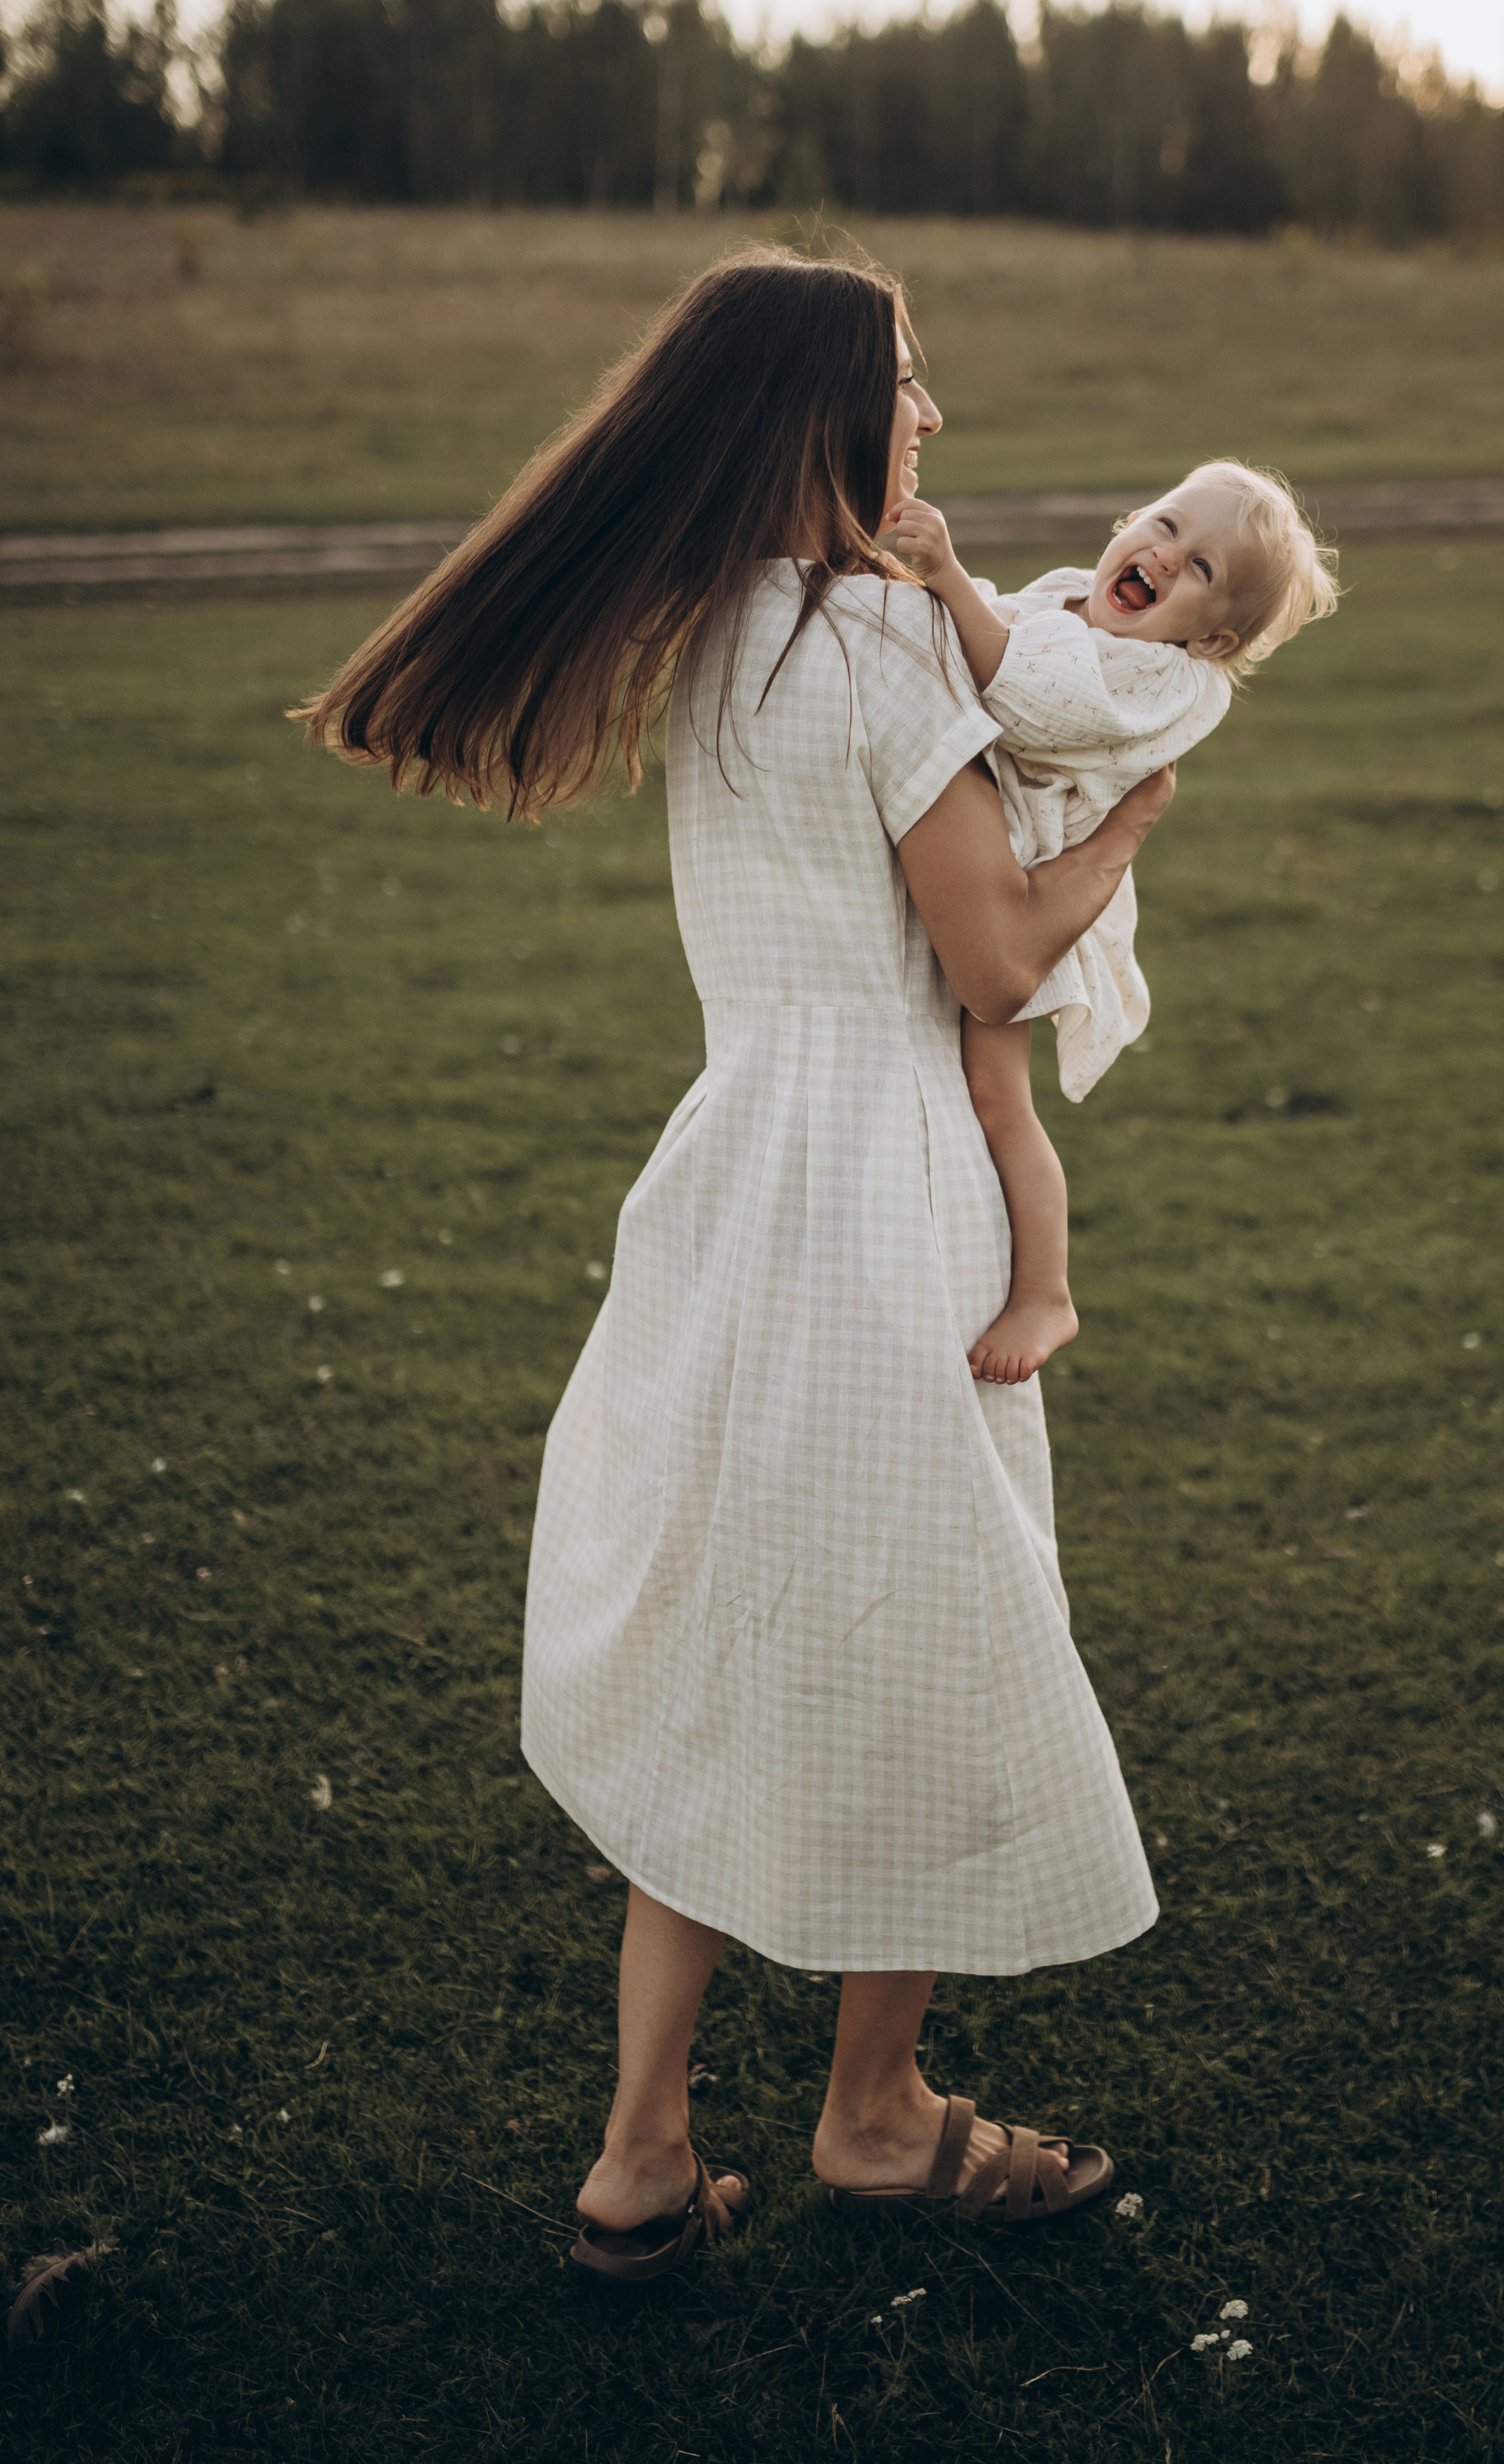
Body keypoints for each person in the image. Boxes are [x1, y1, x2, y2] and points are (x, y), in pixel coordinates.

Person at [296, 247, 1176, 2284]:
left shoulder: (717, 634)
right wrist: (1129, 822)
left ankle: (637, 2160)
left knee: (725, 1640)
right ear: (821, 417)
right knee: (929, 1634)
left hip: (732, 1185)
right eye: (907, 380)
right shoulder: (870, 646)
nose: (933, 415)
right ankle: (876, 2120)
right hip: (888, 1187)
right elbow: (994, 962)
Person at [881, 466, 1336, 1383]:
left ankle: (1046, 1291)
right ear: (1127, 521)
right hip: (987, 862)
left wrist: (947, 576)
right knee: (961, 1085)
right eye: (1165, 524)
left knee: (997, 1095)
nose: (1164, 555)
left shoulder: (1171, 681)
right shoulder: (1066, 599)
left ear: (1213, 638)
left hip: (1035, 896)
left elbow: (1029, 701)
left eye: (1200, 566)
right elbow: (976, 641)